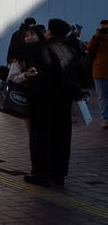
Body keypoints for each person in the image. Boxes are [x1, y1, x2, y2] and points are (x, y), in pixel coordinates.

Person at [23, 19, 86, 188]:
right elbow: (81, 74)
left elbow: (30, 70)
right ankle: (59, 175)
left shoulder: (38, 48)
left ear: (49, 31)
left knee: (40, 136)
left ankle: (41, 174)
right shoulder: (71, 49)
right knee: (62, 137)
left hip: (42, 101)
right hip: (64, 101)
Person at [86, 20, 108, 130]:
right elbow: (89, 48)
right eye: (102, 29)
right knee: (102, 97)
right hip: (99, 72)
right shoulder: (96, 39)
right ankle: (105, 119)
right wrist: (96, 36)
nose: (104, 31)